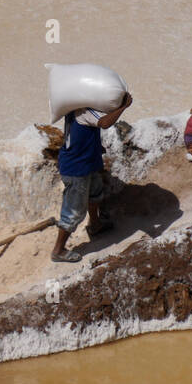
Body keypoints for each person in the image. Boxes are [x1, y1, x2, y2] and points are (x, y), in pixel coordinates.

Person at [52, 92, 132, 263]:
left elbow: (82, 135)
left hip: (86, 163)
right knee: (73, 211)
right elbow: (104, 123)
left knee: (95, 193)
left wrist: (96, 147)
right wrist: (123, 107)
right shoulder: (86, 111)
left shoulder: (72, 111)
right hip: (77, 169)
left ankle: (95, 225)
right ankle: (58, 251)